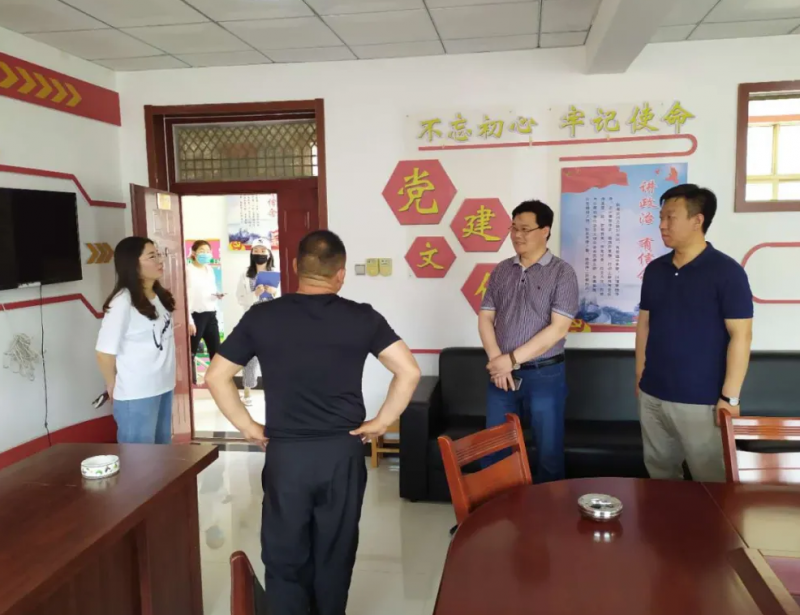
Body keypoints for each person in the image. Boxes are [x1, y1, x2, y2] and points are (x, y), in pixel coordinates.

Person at [205, 229, 421, 615]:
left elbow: (216, 376)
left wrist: (248, 427)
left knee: (284, 554)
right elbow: (408, 371)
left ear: (294, 267)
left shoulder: (262, 317)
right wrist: (381, 422)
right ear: (341, 274)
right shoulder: (362, 317)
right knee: (335, 553)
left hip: (287, 455)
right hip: (342, 453)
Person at [636, 184, 753, 482]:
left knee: (712, 483)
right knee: (660, 477)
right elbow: (644, 324)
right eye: (661, 217)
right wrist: (640, 376)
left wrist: (730, 398)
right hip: (653, 395)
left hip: (702, 401)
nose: (662, 225)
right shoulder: (655, 270)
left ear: (697, 220)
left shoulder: (727, 272)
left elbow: (741, 336)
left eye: (670, 217)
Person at [479, 199, 579, 483]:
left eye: (525, 229)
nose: (517, 235)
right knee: (494, 448)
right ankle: (496, 508)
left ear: (545, 231)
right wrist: (498, 362)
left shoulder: (562, 273)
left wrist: (510, 360)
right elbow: (485, 317)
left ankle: (549, 510)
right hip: (502, 377)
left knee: (548, 453)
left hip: (545, 374)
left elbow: (558, 329)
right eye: (513, 228)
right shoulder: (502, 270)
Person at [95, 237, 176, 444]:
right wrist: (112, 384)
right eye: (152, 256)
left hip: (163, 386)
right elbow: (104, 352)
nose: (160, 260)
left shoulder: (158, 296)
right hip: (137, 392)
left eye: (158, 255)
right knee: (139, 458)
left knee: (162, 454)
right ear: (132, 263)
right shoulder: (122, 301)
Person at [235, 238, 279, 406]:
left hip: (272, 321)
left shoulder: (276, 273)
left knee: (272, 357)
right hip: (252, 320)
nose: (259, 254)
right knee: (250, 358)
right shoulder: (245, 275)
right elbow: (240, 298)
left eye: (263, 251)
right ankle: (247, 392)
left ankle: (275, 391)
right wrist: (254, 294)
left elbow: (286, 297)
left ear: (269, 254)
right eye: (256, 251)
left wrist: (274, 292)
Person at [187, 240, 222, 372]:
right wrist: (189, 321)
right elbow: (186, 296)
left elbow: (209, 291)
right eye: (202, 251)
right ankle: (191, 381)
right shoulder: (188, 270)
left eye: (208, 251)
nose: (205, 254)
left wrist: (217, 295)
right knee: (191, 352)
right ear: (194, 253)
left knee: (217, 352)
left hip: (211, 314)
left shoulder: (210, 269)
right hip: (196, 316)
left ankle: (215, 380)